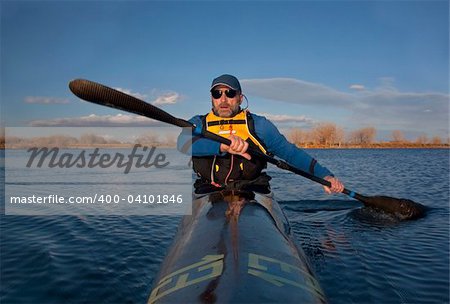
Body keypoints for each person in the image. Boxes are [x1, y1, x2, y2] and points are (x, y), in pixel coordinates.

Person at [177, 74, 344, 194]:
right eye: (217, 94)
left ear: (240, 98)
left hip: (252, 190)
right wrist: (223, 146)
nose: (223, 99)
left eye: (230, 93)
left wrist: (325, 176)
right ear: (212, 98)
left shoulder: (259, 125)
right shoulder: (198, 122)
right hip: (208, 189)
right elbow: (182, 144)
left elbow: (291, 154)